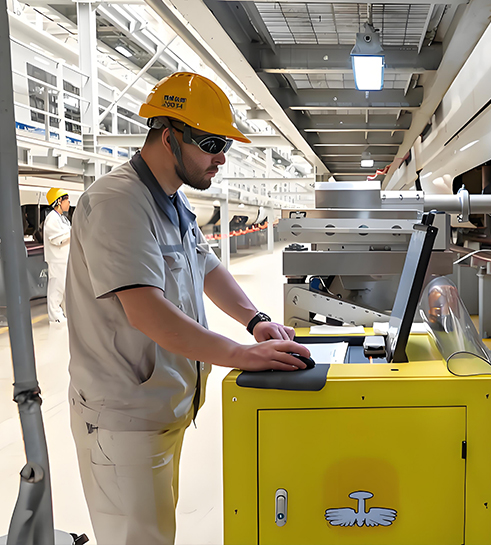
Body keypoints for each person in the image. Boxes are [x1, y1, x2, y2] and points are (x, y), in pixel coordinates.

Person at [65, 72, 311, 544]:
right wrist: (240, 355)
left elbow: (207, 266)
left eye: (225, 145)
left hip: (160, 413)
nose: (221, 158)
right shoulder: (119, 202)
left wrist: (255, 321)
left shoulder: (170, 202)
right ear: (168, 136)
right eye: (212, 144)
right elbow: (147, 312)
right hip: (124, 420)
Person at [43, 187, 71, 323]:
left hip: (64, 259)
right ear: (59, 201)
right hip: (57, 260)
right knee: (56, 289)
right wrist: (72, 232)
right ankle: (55, 316)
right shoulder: (51, 219)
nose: (69, 203)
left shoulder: (63, 219)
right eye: (67, 200)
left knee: (65, 289)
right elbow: (56, 238)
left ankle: (64, 314)